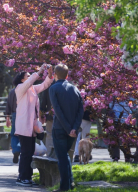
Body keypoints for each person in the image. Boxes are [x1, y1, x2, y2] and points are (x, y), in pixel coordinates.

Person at [15, 64, 54, 187]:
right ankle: (22, 177)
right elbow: (30, 81)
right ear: (22, 79)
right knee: (26, 152)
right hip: (24, 126)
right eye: (27, 76)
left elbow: (45, 85)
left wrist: (50, 74)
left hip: (31, 127)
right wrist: (40, 71)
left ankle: (27, 176)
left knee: (30, 151)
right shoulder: (20, 87)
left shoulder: (32, 89)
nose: (29, 77)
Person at [49, 64, 84, 192]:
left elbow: (57, 111)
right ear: (67, 75)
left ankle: (64, 187)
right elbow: (81, 111)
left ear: (55, 75)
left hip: (60, 128)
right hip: (73, 130)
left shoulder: (54, 89)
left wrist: (68, 128)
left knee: (62, 157)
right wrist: (74, 127)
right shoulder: (75, 89)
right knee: (66, 157)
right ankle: (70, 182)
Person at [5, 86, 21, 163]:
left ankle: (16, 150)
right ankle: (21, 150)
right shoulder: (26, 89)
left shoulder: (12, 91)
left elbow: (8, 105)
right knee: (24, 134)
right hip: (24, 114)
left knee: (14, 133)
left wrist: (7, 117)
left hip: (14, 114)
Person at [40, 87, 54, 156]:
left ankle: (49, 154)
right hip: (62, 117)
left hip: (50, 116)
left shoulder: (48, 86)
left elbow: (43, 101)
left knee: (49, 134)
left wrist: (42, 114)